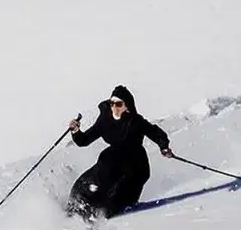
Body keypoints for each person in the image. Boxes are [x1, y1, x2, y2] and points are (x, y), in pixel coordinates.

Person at [67, 85, 174, 219]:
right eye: (112, 103)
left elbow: (155, 132)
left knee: (116, 200)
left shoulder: (135, 121)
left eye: (118, 104)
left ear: (127, 105)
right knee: (86, 182)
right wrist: (76, 131)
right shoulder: (105, 120)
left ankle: (102, 217)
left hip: (135, 167)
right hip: (114, 161)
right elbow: (84, 140)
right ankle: (74, 211)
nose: (114, 108)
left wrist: (164, 147)